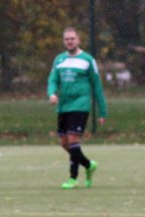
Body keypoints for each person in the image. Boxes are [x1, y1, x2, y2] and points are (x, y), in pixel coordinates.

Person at [47, 27, 108, 189]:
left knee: (73, 140)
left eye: (72, 38)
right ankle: (89, 165)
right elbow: (52, 80)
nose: (69, 41)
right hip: (63, 106)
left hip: (80, 105)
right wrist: (52, 93)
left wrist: (102, 110)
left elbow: (97, 85)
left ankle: (73, 178)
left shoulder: (87, 60)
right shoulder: (59, 60)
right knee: (64, 142)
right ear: (64, 41)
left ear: (79, 40)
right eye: (66, 39)